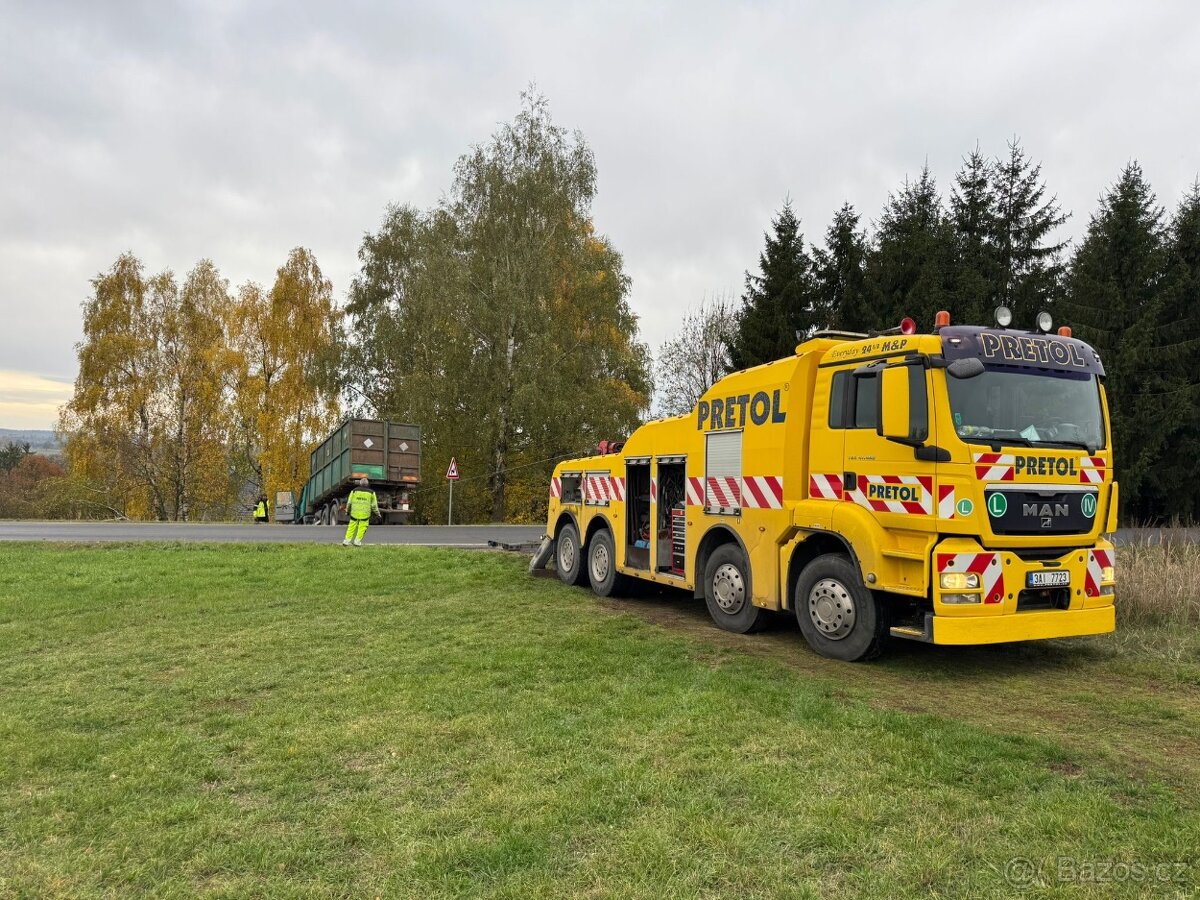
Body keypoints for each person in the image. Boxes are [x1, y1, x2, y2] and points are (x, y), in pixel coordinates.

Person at [343, 477, 380, 546]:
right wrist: (378, 514)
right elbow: (374, 506)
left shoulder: (354, 491)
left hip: (354, 514)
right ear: (367, 484)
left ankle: (346, 541)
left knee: (351, 527)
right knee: (362, 528)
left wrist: (347, 511)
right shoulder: (372, 493)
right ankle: (357, 541)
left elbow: (349, 502)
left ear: (360, 483)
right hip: (365, 515)